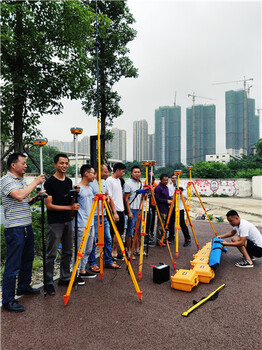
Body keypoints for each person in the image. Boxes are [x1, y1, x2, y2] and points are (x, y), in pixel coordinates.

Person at [1, 152, 45, 312]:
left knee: (28, 258)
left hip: (26, 226)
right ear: (13, 165)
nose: (26, 165)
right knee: (13, 265)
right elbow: (19, 196)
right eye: (23, 163)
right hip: (15, 228)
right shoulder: (6, 180)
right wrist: (35, 182)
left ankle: (23, 286)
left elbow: (25, 200)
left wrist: (36, 197)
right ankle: (8, 300)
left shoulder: (20, 181)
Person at [44, 153, 80, 295]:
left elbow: (71, 203)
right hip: (55, 222)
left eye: (66, 163)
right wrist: (70, 208)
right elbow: (49, 206)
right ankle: (48, 283)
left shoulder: (69, 182)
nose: (64, 166)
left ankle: (64, 277)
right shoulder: (49, 182)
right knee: (51, 254)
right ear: (55, 164)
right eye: (61, 163)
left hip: (67, 221)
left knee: (68, 251)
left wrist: (75, 195)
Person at [88, 164, 121, 271]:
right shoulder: (90, 182)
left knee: (107, 238)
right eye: (105, 171)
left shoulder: (104, 182)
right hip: (94, 216)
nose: (107, 174)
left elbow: (107, 195)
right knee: (94, 240)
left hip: (104, 215)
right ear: (99, 172)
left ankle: (108, 260)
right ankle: (92, 263)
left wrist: (106, 198)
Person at [74, 164, 97, 286]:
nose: (94, 175)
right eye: (92, 173)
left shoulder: (90, 188)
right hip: (82, 223)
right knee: (80, 249)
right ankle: (75, 273)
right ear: (86, 174)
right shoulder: (78, 188)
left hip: (91, 222)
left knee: (88, 248)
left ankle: (82, 269)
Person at [106, 162, 126, 259]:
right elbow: (110, 197)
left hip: (121, 209)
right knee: (114, 232)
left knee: (120, 232)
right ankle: (113, 251)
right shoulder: (109, 181)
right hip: (115, 210)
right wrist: (114, 212)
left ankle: (115, 251)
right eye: (122, 171)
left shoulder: (119, 180)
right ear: (117, 170)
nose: (123, 173)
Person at [124, 165, 143, 257]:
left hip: (139, 209)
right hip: (132, 209)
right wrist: (129, 212)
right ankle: (129, 250)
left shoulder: (141, 183)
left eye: (138, 172)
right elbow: (126, 199)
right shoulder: (128, 184)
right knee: (130, 231)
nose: (137, 174)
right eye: (135, 172)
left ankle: (137, 249)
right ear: (131, 173)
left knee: (138, 231)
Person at [168, 174, 191, 246]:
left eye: (175, 178)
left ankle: (187, 238)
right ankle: (171, 236)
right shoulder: (170, 187)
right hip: (172, 207)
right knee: (171, 223)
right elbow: (170, 196)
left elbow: (185, 196)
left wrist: (179, 191)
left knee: (182, 223)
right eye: (173, 178)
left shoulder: (182, 186)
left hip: (180, 207)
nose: (174, 179)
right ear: (171, 179)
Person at [154, 174, 172, 246]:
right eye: (164, 180)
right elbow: (157, 199)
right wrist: (166, 201)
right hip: (161, 209)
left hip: (167, 208)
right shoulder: (158, 188)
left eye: (167, 180)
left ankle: (164, 238)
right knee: (160, 225)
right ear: (161, 180)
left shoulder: (166, 188)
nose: (166, 181)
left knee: (165, 225)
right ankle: (159, 240)